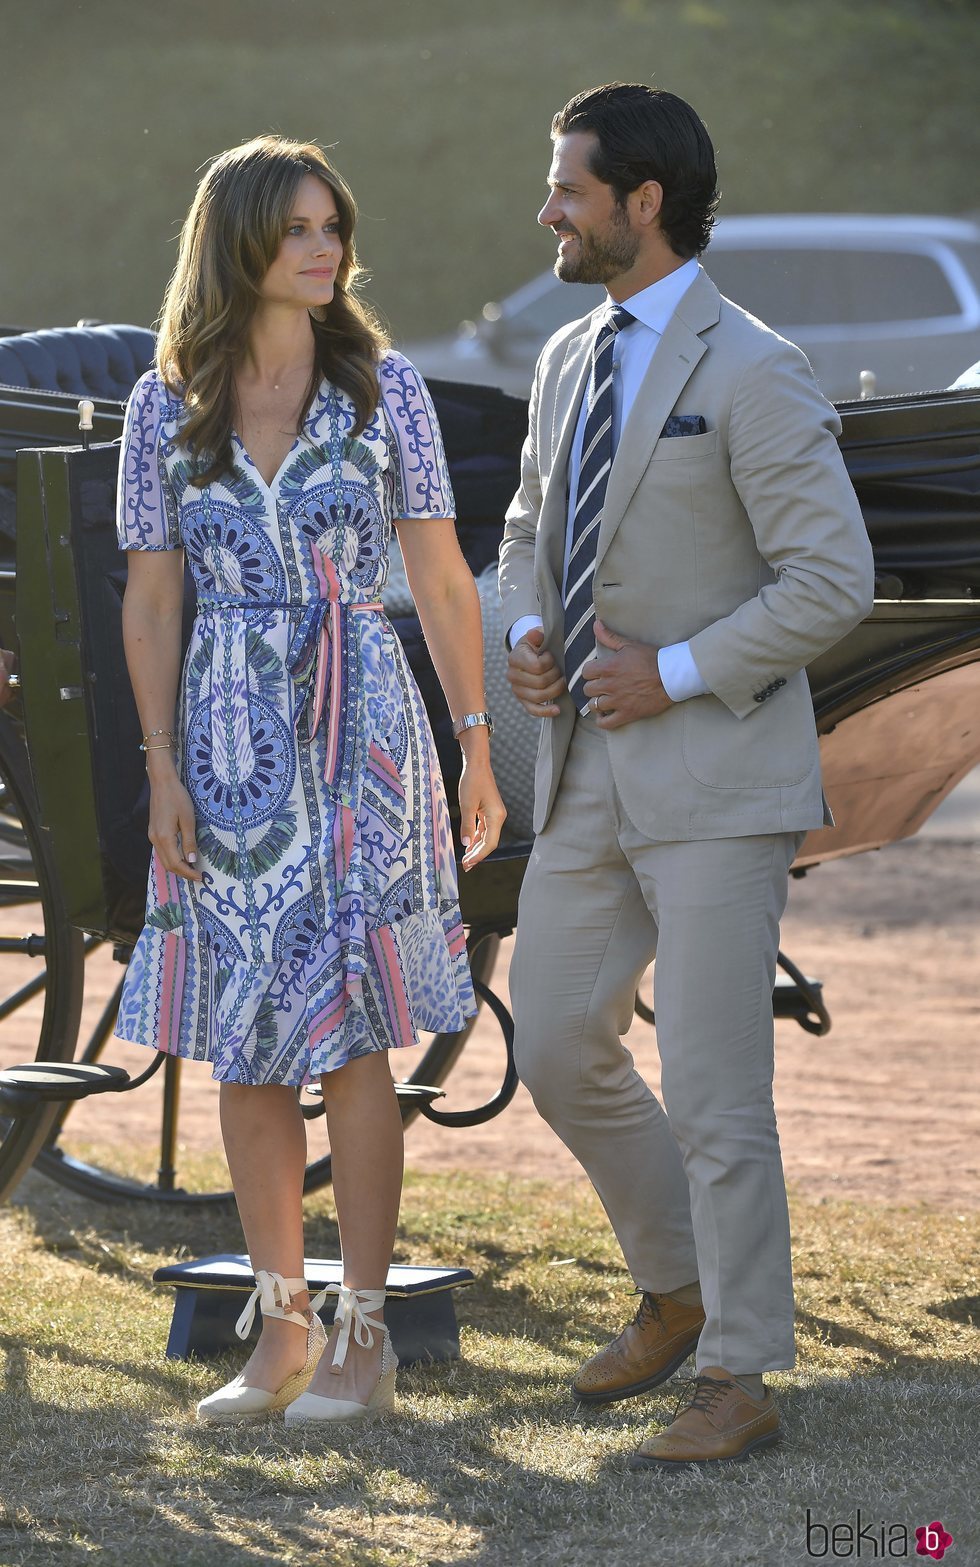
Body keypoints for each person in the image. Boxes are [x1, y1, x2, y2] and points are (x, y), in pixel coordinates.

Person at [499, 83, 874, 1469]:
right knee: (551, 1043)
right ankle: (676, 1286)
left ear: (643, 202)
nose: (547, 210)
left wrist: (678, 669)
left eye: (569, 190)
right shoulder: (566, 354)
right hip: (587, 771)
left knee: (719, 1093)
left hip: (717, 775)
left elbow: (835, 578)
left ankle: (739, 1374)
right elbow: (533, 522)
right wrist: (533, 635)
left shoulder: (754, 368)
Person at [116, 134, 504, 1427]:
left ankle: (364, 1337)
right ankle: (276, 1339)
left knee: (355, 1040)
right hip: (224, 738)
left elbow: (442, 577)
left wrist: (475, 744)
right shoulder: (165, 400)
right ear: (238, 243)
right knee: (248, 1038)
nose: (327, 248)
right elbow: (153, 597)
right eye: (298, 229)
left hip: (367, 731)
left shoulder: (384, 388)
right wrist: (160, 766)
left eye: (334, 224)